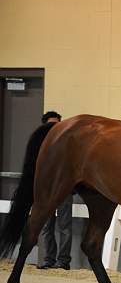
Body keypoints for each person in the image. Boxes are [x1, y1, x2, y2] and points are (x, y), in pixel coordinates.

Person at [37, 111, 73, 270]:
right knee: (46, 226)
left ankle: (63, 261)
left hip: (63, 189)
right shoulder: (38, 145)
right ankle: (48, 259)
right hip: (46, 190)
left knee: (65, 226)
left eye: (56, 125)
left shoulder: (65, 145)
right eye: (51, 125)